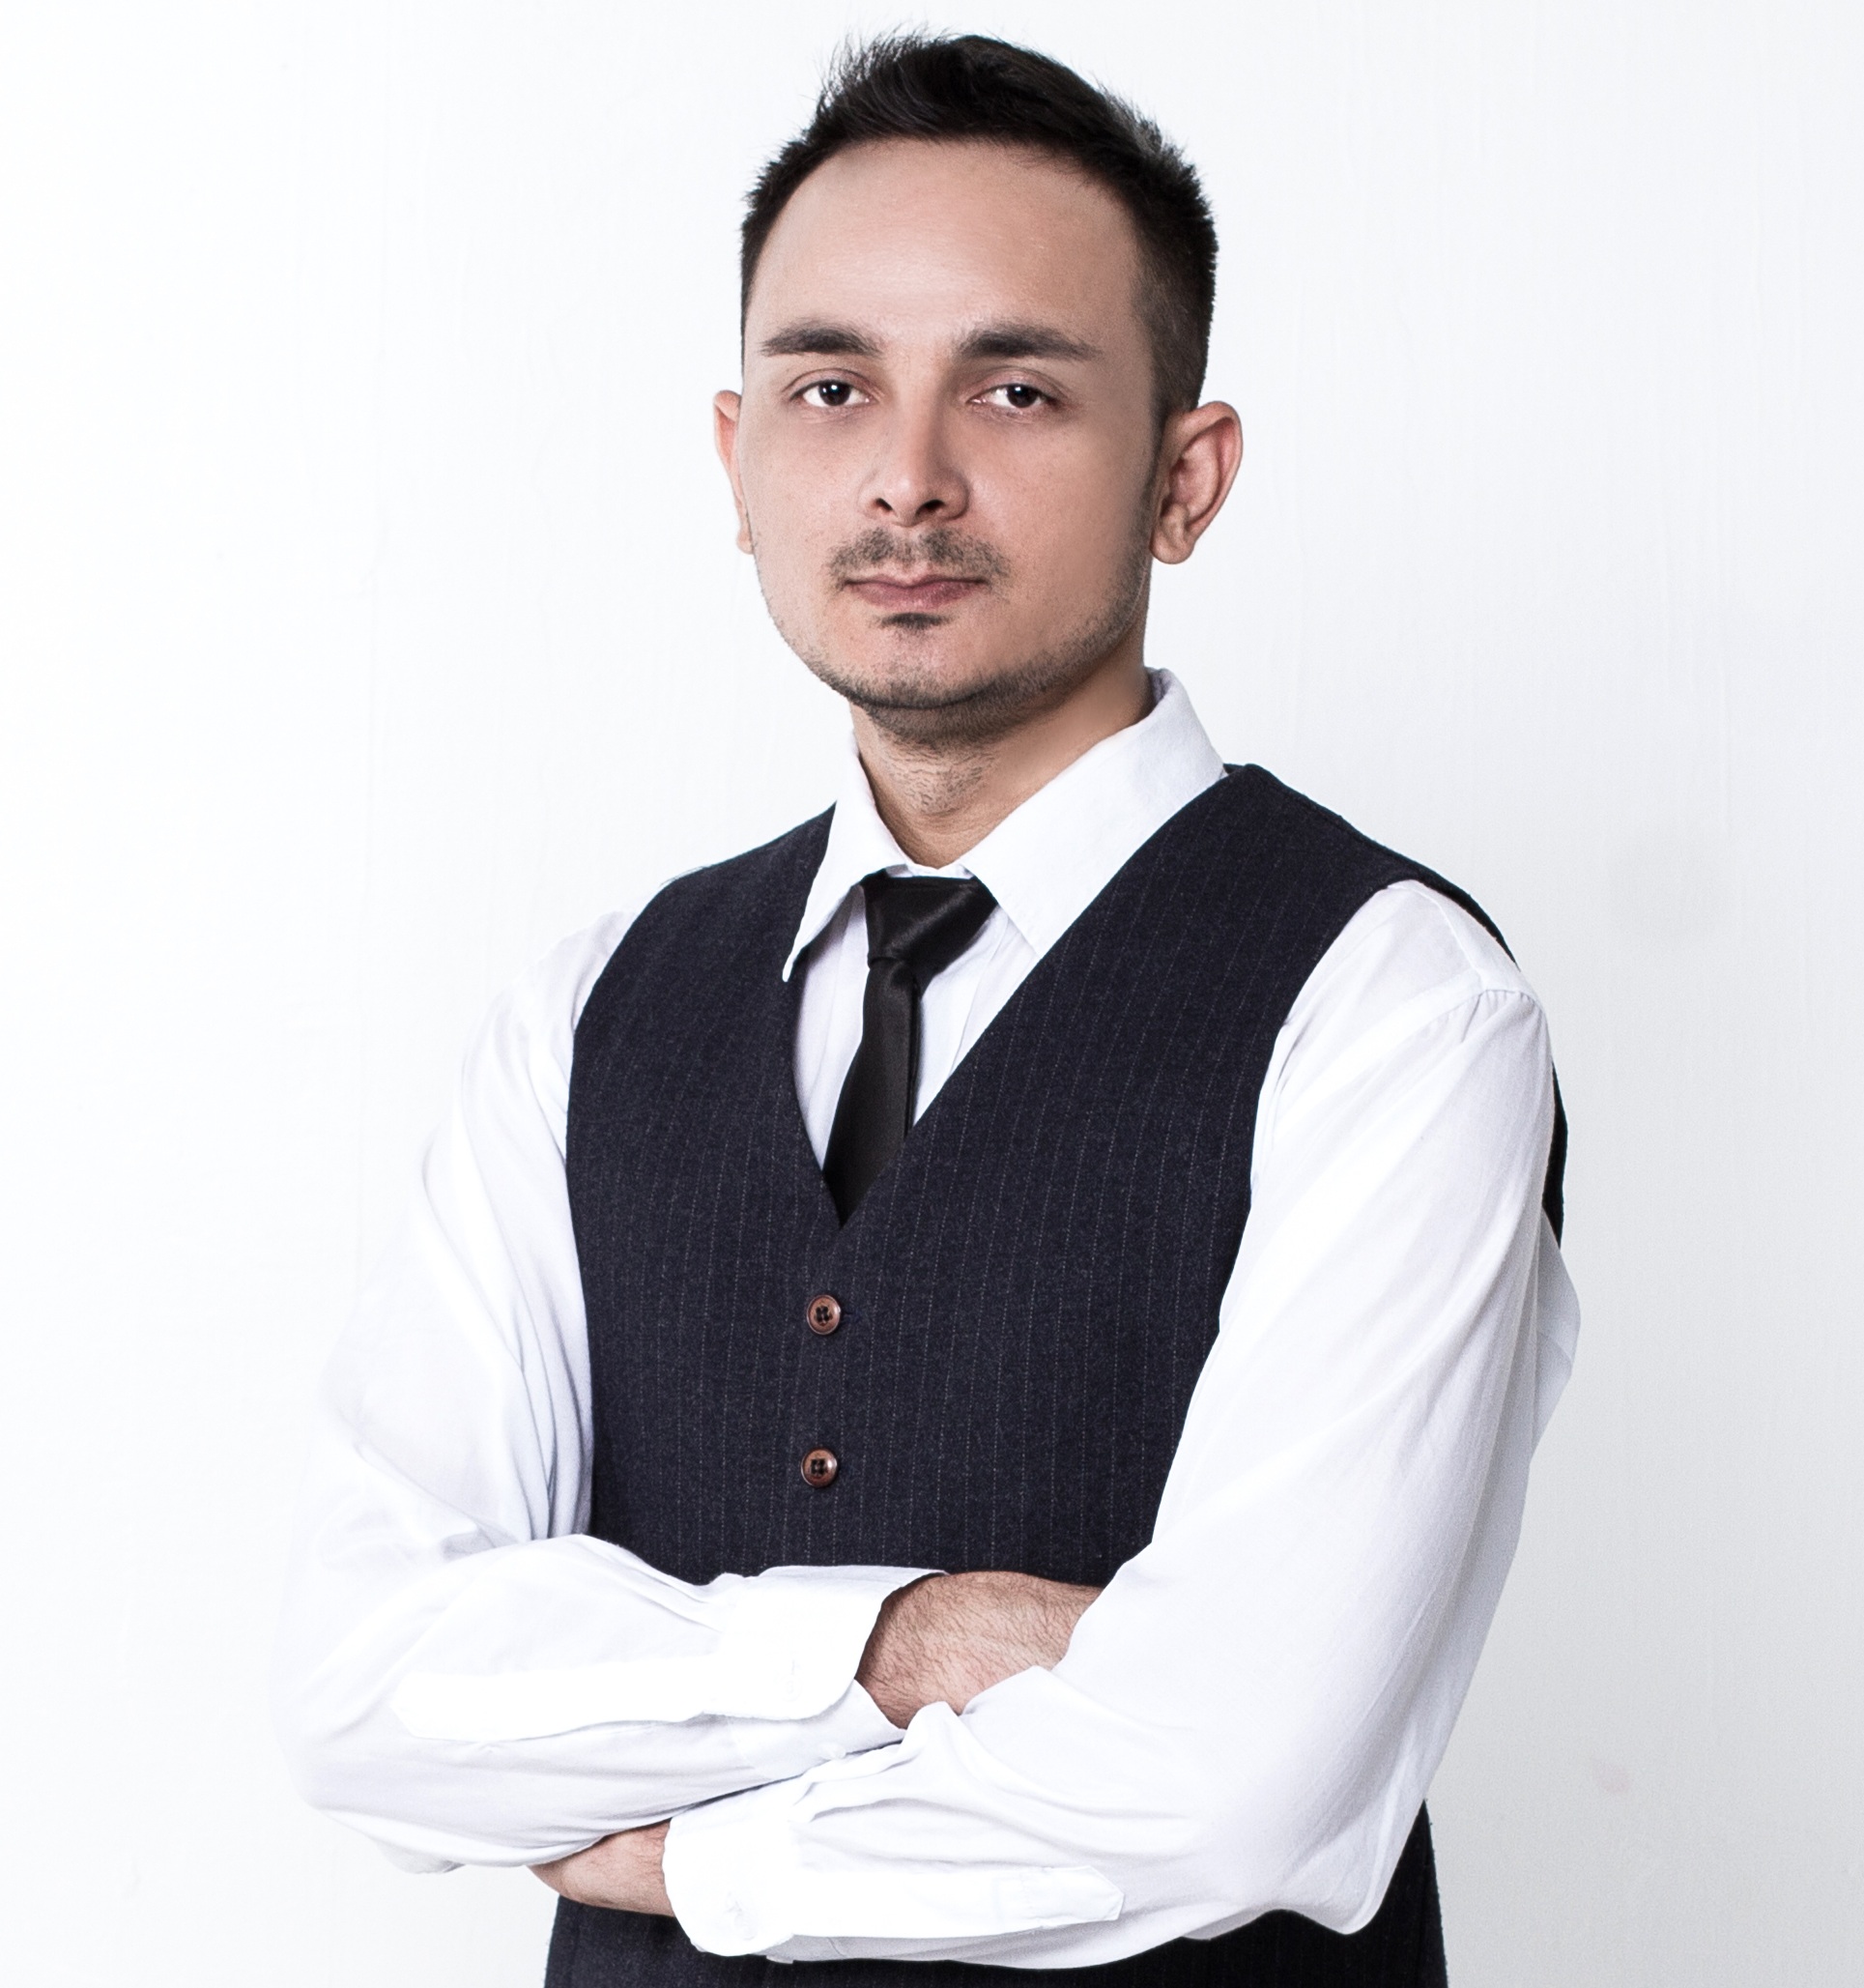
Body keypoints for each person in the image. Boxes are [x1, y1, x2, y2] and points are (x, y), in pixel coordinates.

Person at [274, 32, 1577, 1988]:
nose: (906, 475)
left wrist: (694, 1856)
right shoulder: (591, 1011)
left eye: (1014, 387)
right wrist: (895, 1647)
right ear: (738, 462)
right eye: (831, 386)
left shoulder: (1391, 999)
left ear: (1186, 478)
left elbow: (1240, 1783)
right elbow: (359, 1688)